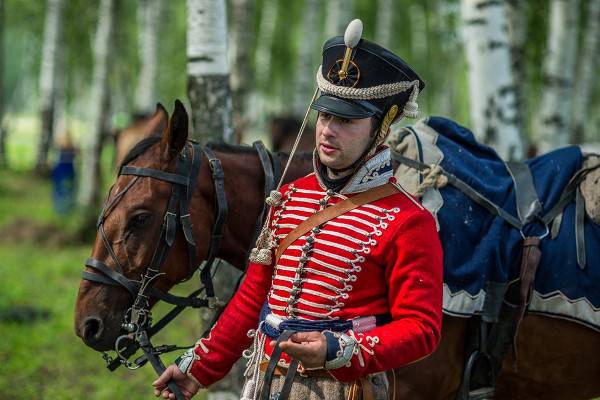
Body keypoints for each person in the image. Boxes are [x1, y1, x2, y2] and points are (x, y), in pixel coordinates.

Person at [153, 19, 442, 400]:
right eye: (325, 115)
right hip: (265, 383)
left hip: (347, 390)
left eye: (347, 120)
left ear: (382, 128)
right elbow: (252, 298)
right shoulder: (287, 197)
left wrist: (337, 349)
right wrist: (199, 369)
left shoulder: (409, 221)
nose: (327, 131)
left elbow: (422, 328)